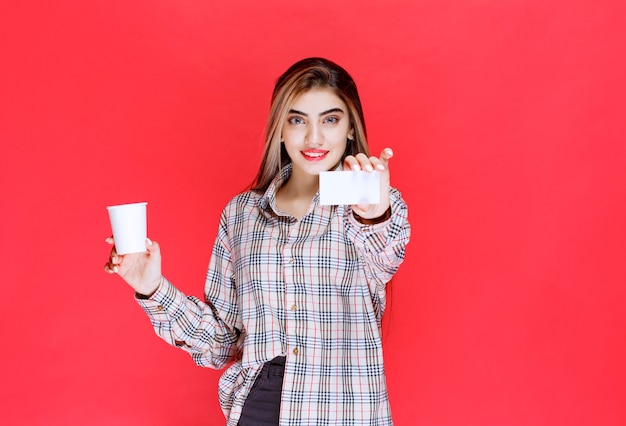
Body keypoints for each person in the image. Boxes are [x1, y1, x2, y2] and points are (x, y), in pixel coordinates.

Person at [105, 57, 411, 425]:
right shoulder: (241, 214)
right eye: (297, 120)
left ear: (350, 129)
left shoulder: (373, 204)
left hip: (343, 409)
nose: (314, 137)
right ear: (279, 129)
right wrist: (152, 288)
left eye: (330, 120)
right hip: (260, 407)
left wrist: (374, 214)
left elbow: (385, 260)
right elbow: (223, 342)